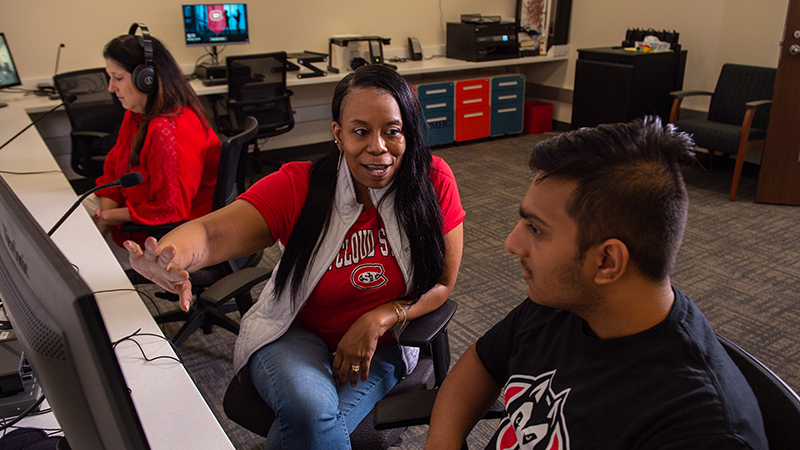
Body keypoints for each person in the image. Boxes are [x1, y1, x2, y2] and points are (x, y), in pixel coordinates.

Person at [125, 64, 465, 449]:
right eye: (360, 132)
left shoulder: (432, 181)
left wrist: (378, 319)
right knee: (308, 409)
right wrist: (173, 255)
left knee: (304, 430)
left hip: (381, 345)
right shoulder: (300, 185)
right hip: (294, 333)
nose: (378, 147)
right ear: (338, 134)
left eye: (392, 131)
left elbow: (441, 282)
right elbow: (211, 232)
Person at [425, 117, 767, 449]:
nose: (512, 243)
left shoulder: (700, 428)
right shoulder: (565, 300)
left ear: (607, 262)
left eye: (536, 229)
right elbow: (484, 361)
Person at [88, 27, 221, 269]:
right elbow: (114, 172)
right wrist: (105, 213)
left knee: (70, 252)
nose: (111, 87)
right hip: (136, 215)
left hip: (171, 235)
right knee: (63, 220)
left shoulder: (167, 129)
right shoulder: (137, 115)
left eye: (117, 78)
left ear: (146, 78)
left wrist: (108, 217)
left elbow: (169, 209)